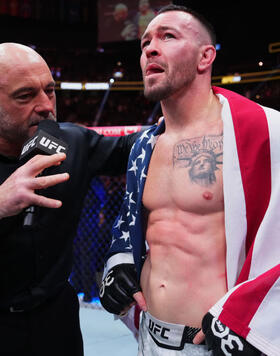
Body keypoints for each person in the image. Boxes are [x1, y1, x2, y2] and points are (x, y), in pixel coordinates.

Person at [99, 4, 280, 356]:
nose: (150, 47)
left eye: (168, 36)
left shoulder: (265, 132)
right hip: (147, 338)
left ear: (205, 57)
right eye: (145, 42)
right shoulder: (143, 147)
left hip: (220, 343)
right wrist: (119, 263)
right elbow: (133, 227)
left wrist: (254, 322)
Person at [0, 42, 140, 356]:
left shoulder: (72, 141)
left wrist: (194, 112)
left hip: (57, 321)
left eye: (49, 91)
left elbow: (137, 149)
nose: (46, 105)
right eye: (25, 95)